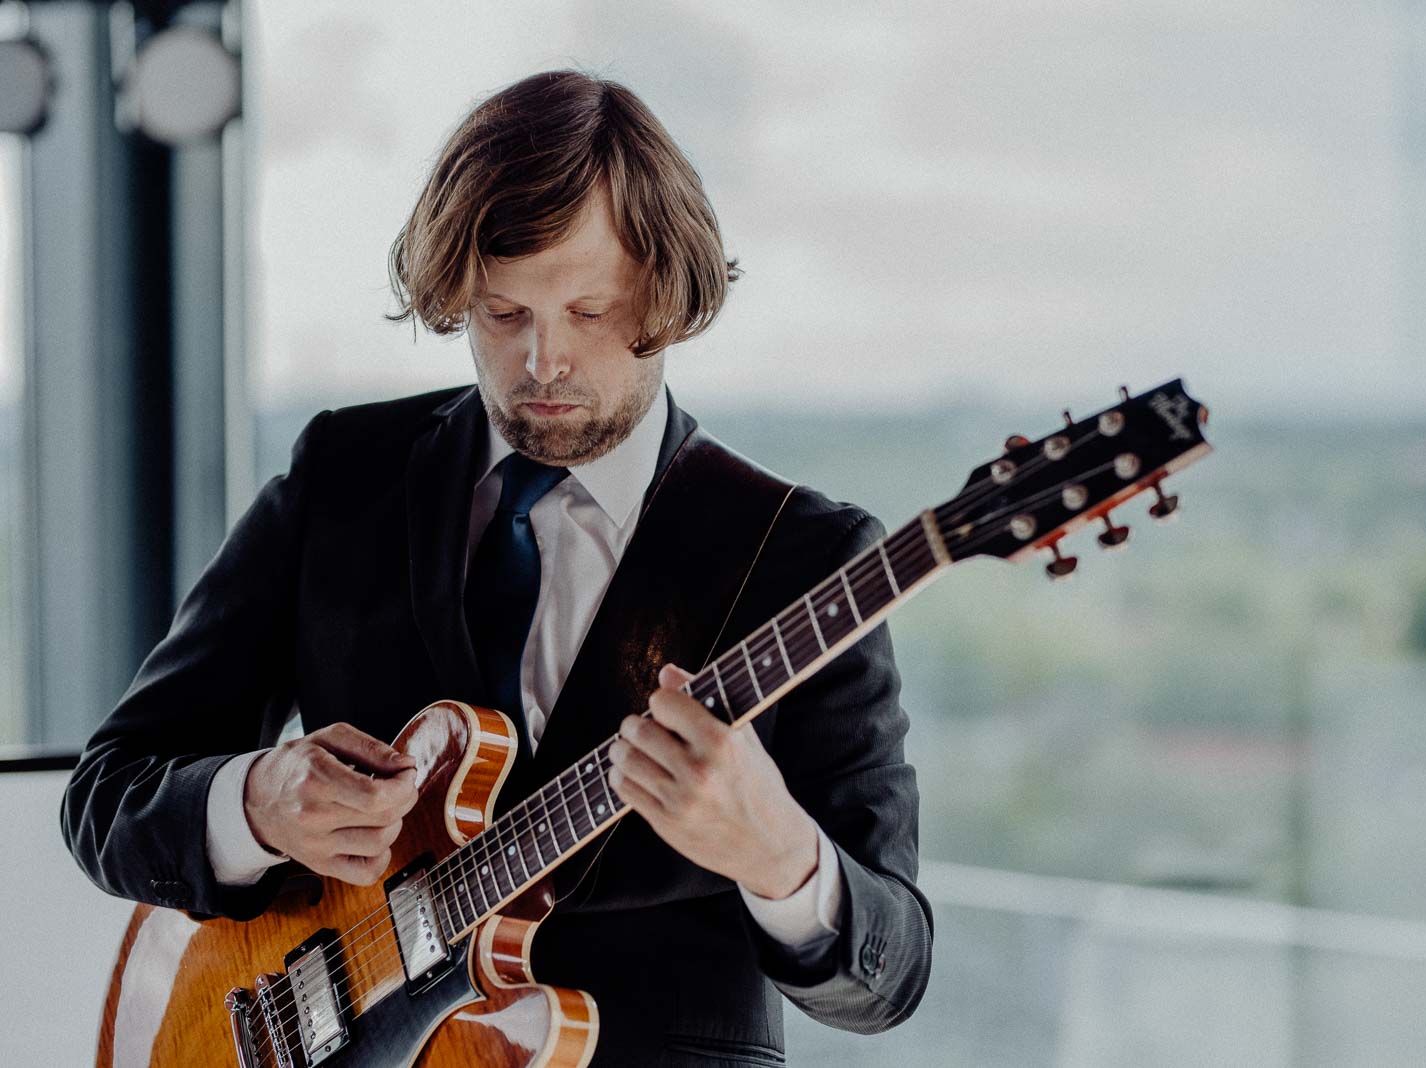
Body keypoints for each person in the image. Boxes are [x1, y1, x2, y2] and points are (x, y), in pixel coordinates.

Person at [60, 69, 932, 1065]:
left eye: (590, 310)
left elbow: (893, 977)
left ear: (667, 288)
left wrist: (780, 857)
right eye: (501, 315)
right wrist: (254, 805)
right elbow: (106, 797)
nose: (542, 361)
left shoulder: (803, 557)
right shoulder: (343, 478)